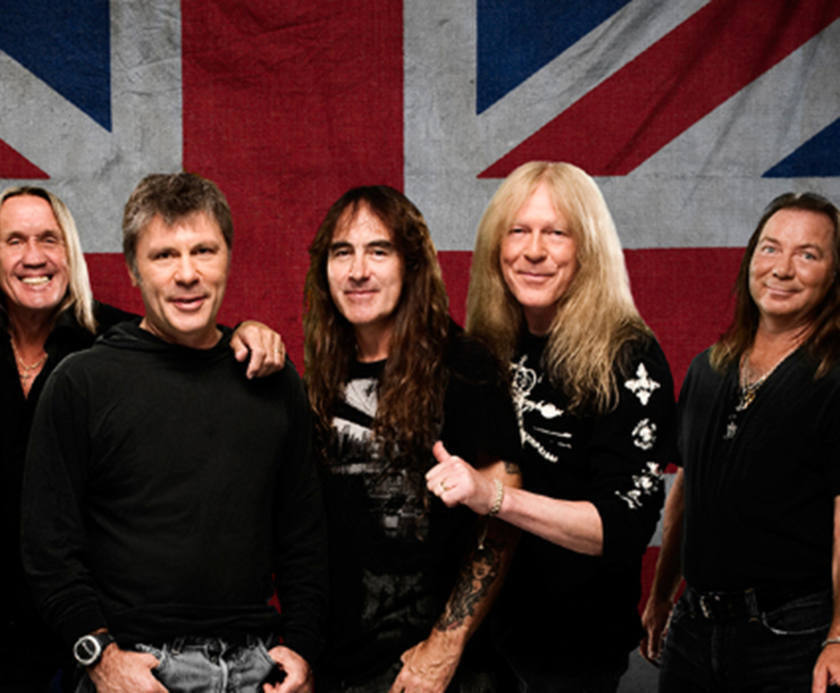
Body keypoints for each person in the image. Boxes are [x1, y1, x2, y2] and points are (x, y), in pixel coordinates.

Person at [0, 185, 286, 692]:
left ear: (71, 250)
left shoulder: (108, 340)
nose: (34, 257)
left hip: (102, 625)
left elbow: (191, 338)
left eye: (49, 239)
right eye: (14, 241)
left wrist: (247, 331)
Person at [21, 172, 326, 693]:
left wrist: (303, 647)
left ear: (228, 257)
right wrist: (100, 656)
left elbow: (305, 537)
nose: (188, 274)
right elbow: (47, 548)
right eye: (164, 255)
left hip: (258, 670)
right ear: (133, 270)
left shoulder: (270, 379)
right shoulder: (82, 382)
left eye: (204, 251)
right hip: (138, 671)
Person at [428, 161, 676, 691]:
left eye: (556, 233)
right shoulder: (488, 344)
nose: (534, 251)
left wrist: (494, 498)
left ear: (588, 249)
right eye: (518, 230)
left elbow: (622, 528)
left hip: (573, 650)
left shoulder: (629, 356)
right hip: (487, 642)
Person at [302, 185, 521, 693]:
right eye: (342, 252)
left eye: (379, 251)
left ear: (411, 265)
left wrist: (443, 647)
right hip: (340, 667)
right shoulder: (319, 380)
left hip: (437, 671)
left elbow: (502, 521)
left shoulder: (464, 366)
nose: (358, 270)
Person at [641, 192, 840, 692]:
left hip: (792, 633)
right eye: (770, 248)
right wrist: (662, 596)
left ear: (834, 275)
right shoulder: (708, 368)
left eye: (808, 254)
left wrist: (839, 635)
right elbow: (687, 490)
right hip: (694, 625)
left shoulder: (834, 379)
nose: (783, 269)